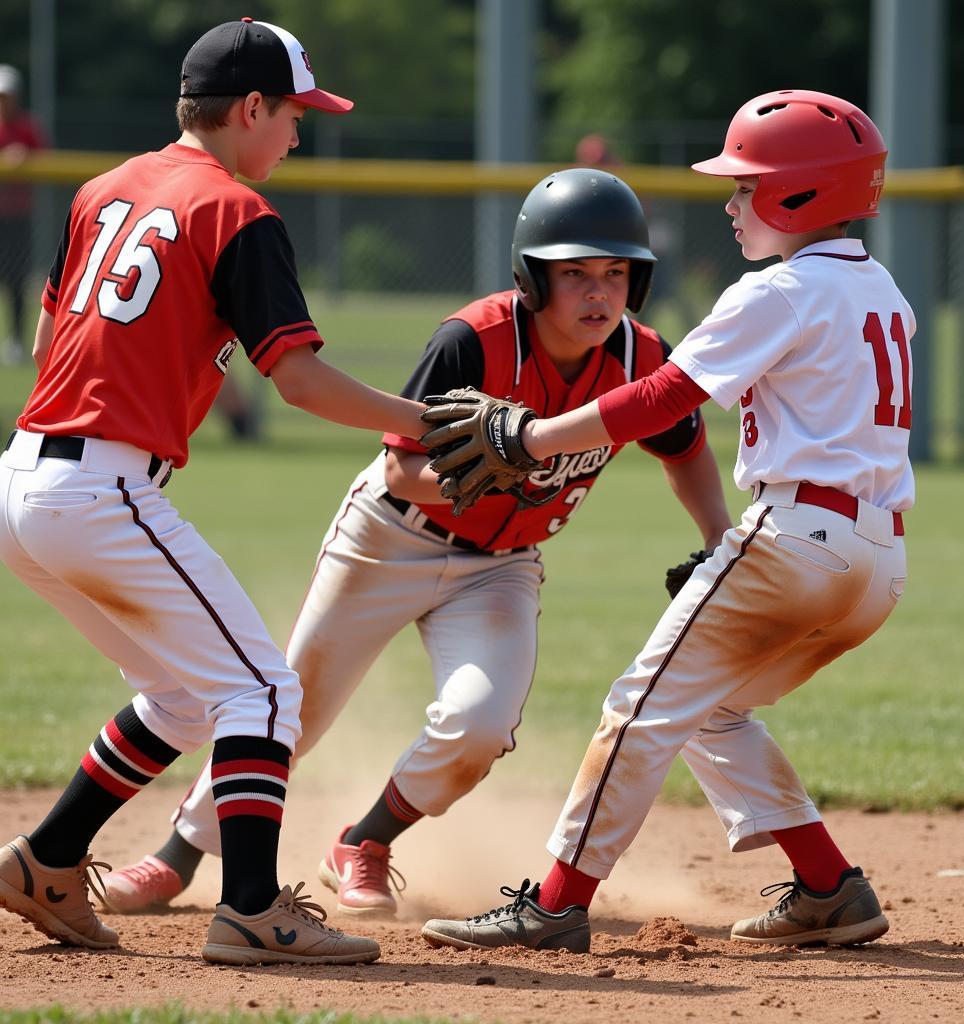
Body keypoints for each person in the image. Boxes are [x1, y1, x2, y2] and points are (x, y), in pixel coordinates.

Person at [97, 167, 733, 919]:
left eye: (617, 273)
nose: (599, 294)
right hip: (390, 539)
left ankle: (364, 842)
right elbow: (402, 468)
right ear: (533, 278)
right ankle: (176, 857)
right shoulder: (475, 339)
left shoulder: (640, 359)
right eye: (576, 274)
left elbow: (684, 443)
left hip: (500, 569)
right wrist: (504, 471)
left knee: (482, 725)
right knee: (291, 706)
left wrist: (720, 541)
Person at [418, 90, 913, 953]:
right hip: (880, 560)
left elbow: (659, 399)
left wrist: (532, 437)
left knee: (638, 706)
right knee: (708, 709)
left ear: (800, 196)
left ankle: (557, 902)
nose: (730, 203)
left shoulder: (782, 289)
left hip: (798, 536)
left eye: (746, 185)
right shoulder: (885, 292)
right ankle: (829, 887)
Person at [0, 19, 429, 966]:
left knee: (184, 699)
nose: (297, 135)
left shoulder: (101, 190)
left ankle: (48, 861)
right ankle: (250, 909)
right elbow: (304, 381)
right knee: (264, 692)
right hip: (102, 491)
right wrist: (424, 420)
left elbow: (45, 347)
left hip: (23, 481)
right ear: (248, 109)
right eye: (291, 115)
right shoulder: (238, 212)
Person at [0, 64, 48, 365]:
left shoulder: (28, 127)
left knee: (16, 281)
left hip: (18, 216)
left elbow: (44, 157)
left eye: (7, 96)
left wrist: (24, 156)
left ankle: (16, 340)